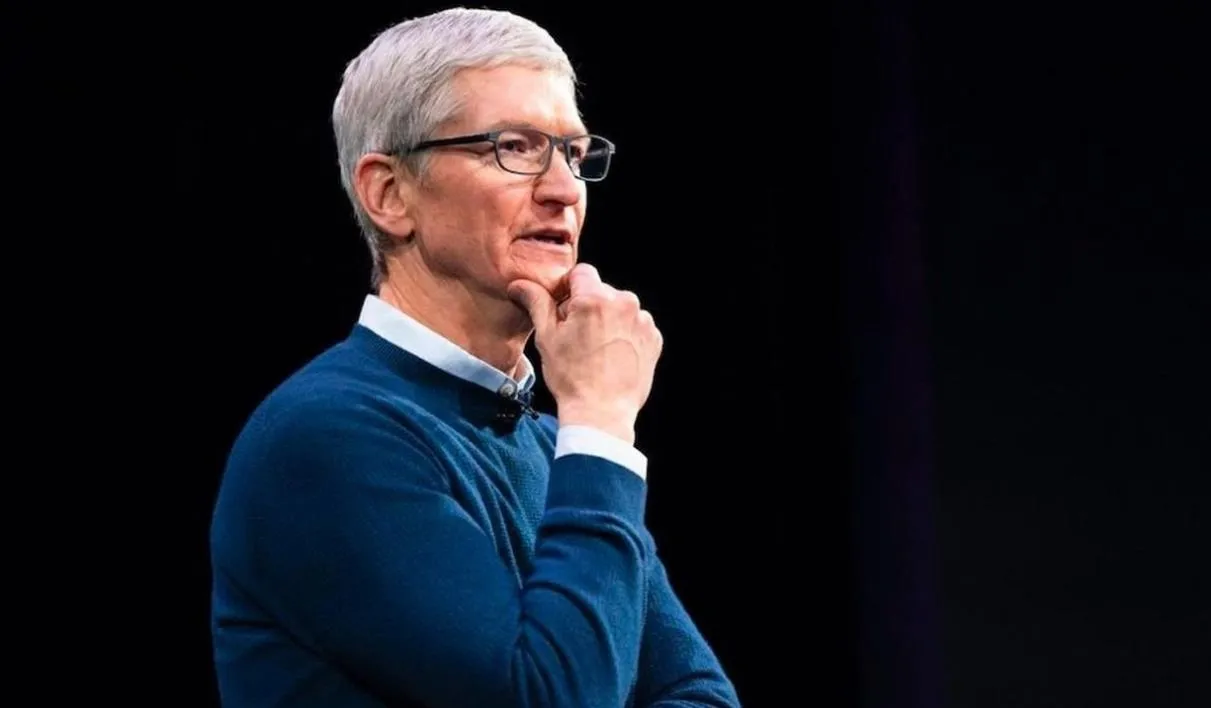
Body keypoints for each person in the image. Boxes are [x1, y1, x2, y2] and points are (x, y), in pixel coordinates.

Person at [209, 7, 740, 707]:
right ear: (389, 194)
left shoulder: (555, 445)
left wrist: (588, 430)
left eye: (574, 154)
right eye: (514, 147)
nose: (563, 190)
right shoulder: (325, 437)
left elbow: (700, 694)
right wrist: (601, 418)